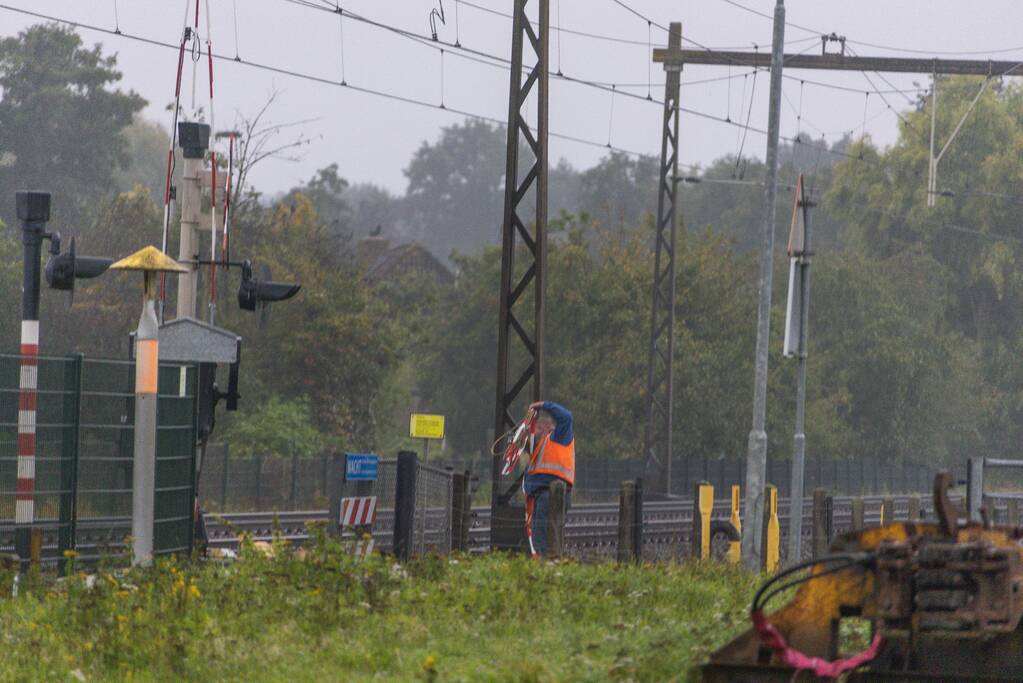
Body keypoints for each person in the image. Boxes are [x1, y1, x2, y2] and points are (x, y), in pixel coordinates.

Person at [523, 400, 575, 556]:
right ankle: (544, 563)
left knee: (545, 542)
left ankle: (545, 564)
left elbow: (566, 416)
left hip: (553, 495)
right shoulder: (540, 446)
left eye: (539, 427)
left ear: (548, 427)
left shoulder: (559, 437)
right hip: (542, 496)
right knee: (541, 540)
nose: (536, 431)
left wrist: (544, 405)